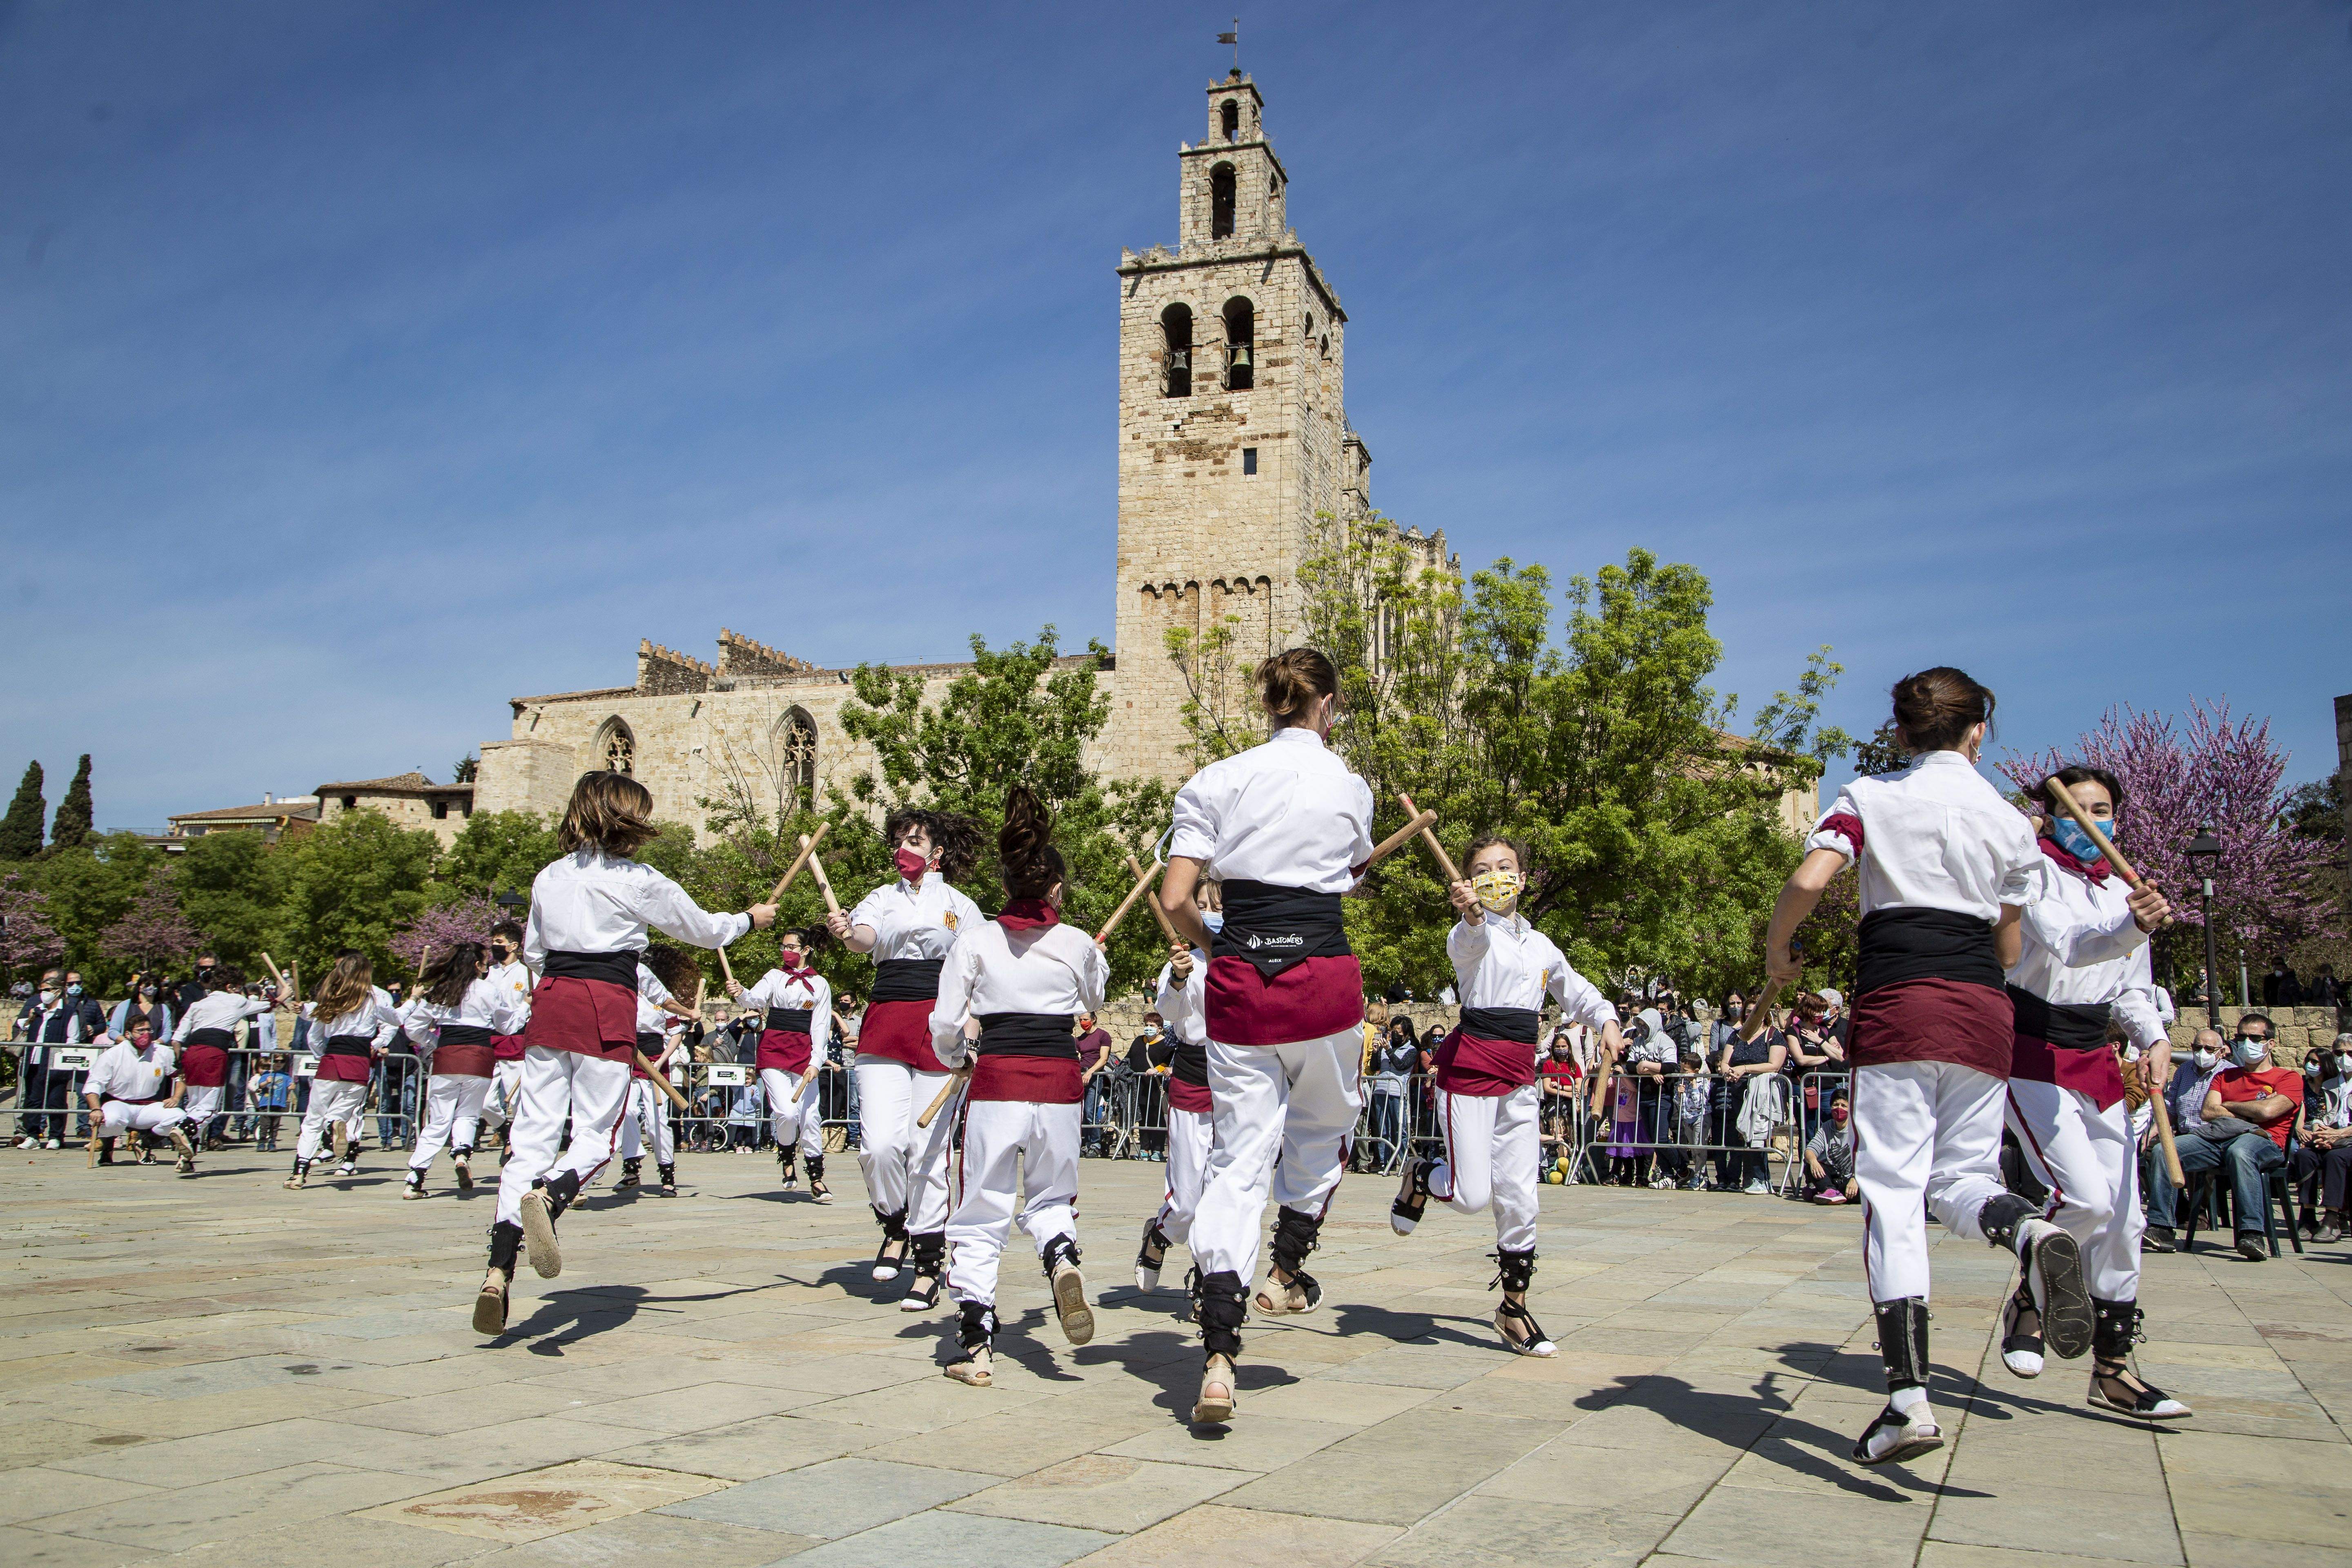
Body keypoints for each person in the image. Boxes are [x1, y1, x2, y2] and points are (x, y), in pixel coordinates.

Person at [1761, 666, 2080, 1467]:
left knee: (1897, 1194)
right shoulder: (2011, 823)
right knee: (1965, 1177)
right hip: (1982, 1010)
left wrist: (1778, 947)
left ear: (1900, 732)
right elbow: (2011, 944)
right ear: (1978, 733)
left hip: (1903, 1003)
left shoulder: (1867, 797)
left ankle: (1908, 1400)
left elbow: (1808, 879)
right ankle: (2031, 1232)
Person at [474, 770, 772, 1336]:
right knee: (596, 1136)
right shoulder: (637, 880)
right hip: (604, 998)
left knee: (531, 1137)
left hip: (553, 998)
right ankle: (554, 1194)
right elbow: (706, 931)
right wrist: (750, 920)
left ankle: (498, 1267)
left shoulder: (548, 878)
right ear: (627, 822)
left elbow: (535, 951)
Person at [1158, 648, 1372, 1426]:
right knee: (1325, 1129)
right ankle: (1287, 1267)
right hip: (1321, 980)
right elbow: (1348, 873)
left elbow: (1176, 895)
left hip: (1242, 986)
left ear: (1271, 706)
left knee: (1236, 1160)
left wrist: (1218, 946)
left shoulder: (1215, 780)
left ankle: (1218, 1354)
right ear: (1327, 707)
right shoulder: (1350, 786)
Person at [1998, 767, 2188, 1420]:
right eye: (2075, 811)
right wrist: (2135, 926)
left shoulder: (2125, 889)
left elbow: (2131, 985)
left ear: (2118, 819)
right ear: (2049, 819)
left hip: (2095, 1056)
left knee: (2126, 1217)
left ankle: (2112, 1369)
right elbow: (2073, 948)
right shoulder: (2033, 876)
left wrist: (2154, 1038)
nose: (2090, 822)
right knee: (2082, 1196)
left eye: (2101, 810)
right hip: (2031, 1050)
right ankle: (2030, 1297)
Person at [1390, 835, 1623, 1358]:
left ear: (1522, 879)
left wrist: (1606, 1019)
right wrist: (1472, 918)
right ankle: (1423, 1175)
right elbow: (1467, 947)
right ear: (1469, 884)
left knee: (1521, 1197)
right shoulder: (1469, 935)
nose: (1495, 876)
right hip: (1470, 1069)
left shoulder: (1541, 946)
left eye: (1505, 867)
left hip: (1519, 1078)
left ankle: (1513, 1310)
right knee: (1472, 1197)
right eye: (1482, 870)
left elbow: (1577, 990)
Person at [930, 786, 1107, 1386]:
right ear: (1055, 888)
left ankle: (976, 1343)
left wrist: (955, 1058)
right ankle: (1060, 1256)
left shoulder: (975, 941)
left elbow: (946, 1024)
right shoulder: (1077, 942)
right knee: (1052, 1198)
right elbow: (1095, 1003)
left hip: (999, 1077)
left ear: (1005, 886)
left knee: (981, 1210)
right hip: (1058, 1080)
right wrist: (1087, 957)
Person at [827, 807, 984, 1309]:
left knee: (927, 1149)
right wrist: (847, 932)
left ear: (936, 853)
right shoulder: (879, 898)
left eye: (914, 841)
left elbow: (981, 974)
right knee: (878, 1145)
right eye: (899, 840)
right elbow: (865, 940)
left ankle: (929, 1262)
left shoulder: (962, 906)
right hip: (887, 1022)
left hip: (940, 1025)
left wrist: (972, 1034)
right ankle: (893, 1222)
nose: (904, 849)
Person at [2147, 1014, 2300, 1263]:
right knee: (2166, 1150)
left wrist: (2230, 1106)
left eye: (2255, 1037)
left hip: (2265, 1140)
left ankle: (2252, 1233)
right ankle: (2161, 1226)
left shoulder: (2287, 1078)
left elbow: (2269, 1112)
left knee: (2240, 1152)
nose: (2247, 1042)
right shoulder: (2225, 1076)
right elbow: (2208, 1111)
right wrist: (2249, 1112)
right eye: (2242, 1037)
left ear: (2271, 1043)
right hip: (2218, 1137)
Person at [397, 940, 527, 1200]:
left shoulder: (440, 992)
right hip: (479, 1058)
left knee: (438, 1120)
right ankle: (461, 1154)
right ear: (479, 966)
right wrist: (526, 1005)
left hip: (447, 1058)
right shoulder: (489, 991)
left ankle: (415, 1178)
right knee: (468, 1115)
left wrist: (435, 1043)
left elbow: (412, 1028)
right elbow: (509, 1026)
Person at [1137, 882, 1218, 1293]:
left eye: (1217, 905)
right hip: (1193, 1073)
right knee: (1187, 1197)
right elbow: (1167, 1013)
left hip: (1239, 1081)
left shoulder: (1248, 959)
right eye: (1201, 905)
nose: (1209, 912)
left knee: (1224, 1195)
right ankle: (1160, 1234)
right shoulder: (1182, 963)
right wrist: (1179, 982)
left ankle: (1209, 1281)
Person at [729, 929, 835, 1205]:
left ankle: (816, 1178)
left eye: (792, 946)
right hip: (774, 1048)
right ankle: (787, 1154)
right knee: (787, 1113)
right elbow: (755, 1000)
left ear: (806, 950)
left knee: (810, 1115)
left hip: (804, 1052)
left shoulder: (821, 984)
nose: (786, 951)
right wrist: (740, 993)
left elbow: (821, 1026)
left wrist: (816, 1061)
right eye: (784, 946)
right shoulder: (774, 976)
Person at [286, 953, 400, 1188]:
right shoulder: (375, 1000)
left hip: (332, 1059)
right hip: (359, 1061)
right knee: (345, 1110)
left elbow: (314, 1033)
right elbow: (397, 1020)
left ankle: (299, 1172)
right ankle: (336, 1123)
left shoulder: (331, 999)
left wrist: (321, 1054)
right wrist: (414, 999)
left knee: (313, 1118)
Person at [616, 950, 696, 1197]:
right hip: (625, 1056)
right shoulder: (619, 990)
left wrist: (661, 1061)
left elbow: (676, 1033)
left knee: (656, 1120)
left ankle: (667, 1172)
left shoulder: (660, 999)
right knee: (626, 1112)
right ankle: (631, 1167)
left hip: (654, 1058)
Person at [170, 966, 271, 1160]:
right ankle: (184, 1127)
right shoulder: (236, 1000)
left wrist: (179, 1063)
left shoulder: (198, 1004)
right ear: (231, 987)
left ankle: (187, 1157)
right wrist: (284, 996)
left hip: (191, 1054)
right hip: (213, 1053)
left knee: (194, 1104)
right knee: (209, 1109)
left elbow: (176, 1040)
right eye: (239, 987)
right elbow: (267, 1006)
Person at [82, 1018, 196, 1172]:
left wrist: (176, 1098)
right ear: (128, 1034)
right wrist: (96, 1109)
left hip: (149, 1105)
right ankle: (108, 1149)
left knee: (180, 1118)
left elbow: (180, 1075)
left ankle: (145, 1144)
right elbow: (94, 1085)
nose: (146, 1034)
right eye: (140, 1031)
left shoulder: (162, 1052)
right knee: (112, 1120)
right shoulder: (113, 1055)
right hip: (119, 1102)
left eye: (149, 1030)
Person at [15, 970, 93, 1147]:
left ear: (58, 991)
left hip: (56, 1064)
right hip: (34, 1061)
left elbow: (73, 1039)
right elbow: (21, 1024)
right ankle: (33, 1135)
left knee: (56, 1100)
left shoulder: (69, 1012)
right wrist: (30, 1019)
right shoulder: (37, 1011)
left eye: (48, 990)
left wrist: (63, 1058)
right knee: (33, 1101)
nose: (44, 994)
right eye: (42, 990)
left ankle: (56, 1136)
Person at [1714, 1014, 1787, 1194]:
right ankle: (1744, 1179)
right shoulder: (1736, 1036)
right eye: (1747, 1013)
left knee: (1758, 1134)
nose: (1750, 1017)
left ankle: (1759, 1178)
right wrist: (1728, 1073)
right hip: (1738, 1091)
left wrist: (1745, 1069)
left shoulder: (1773, 1034)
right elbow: (1725, 1063)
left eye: (1755, 1012)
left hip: (1761, 1093)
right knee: (1741, 1134)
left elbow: (1774, 1065)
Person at [480, 920, 534, 1150]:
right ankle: (505, 1131)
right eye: (493, 941)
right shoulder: (486, 975)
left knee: (519, 1098)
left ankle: (521, 1147)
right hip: (488, 1039)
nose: (494, 946)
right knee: (484, 1102)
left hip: (515, 1040)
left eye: (499, 942)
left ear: (513, 946)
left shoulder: (527, 973)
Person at [2292, 1035, 2352, 1243]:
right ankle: (2308, 1217)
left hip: (2347, 1139)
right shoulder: (2332, 1084)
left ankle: (2332, 1219)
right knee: (2305, 1155)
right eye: (2339, 1053)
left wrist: (2337, 1135)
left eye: (2350, 1053)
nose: (2345, 1057)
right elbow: (2323, 1114)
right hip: (2333, 1136)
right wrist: (2319, 1130)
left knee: (2336, 1158)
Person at [1804, 1090, 1858, 1202]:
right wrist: (1813, 1161)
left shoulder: (1857, 1128)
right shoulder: (1827, 1126)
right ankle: (1830, 1191)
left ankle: (1824, 1192)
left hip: (1854, 1178)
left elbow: (1868, 1159)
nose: (1839, 1108)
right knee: (1810, 1165)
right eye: (1836, 1105)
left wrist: (1855, 1179)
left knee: (1862, 1193)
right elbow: (1810, 1150)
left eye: (1844, 1106)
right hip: (1835, 1176)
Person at [249, 1053, 292, 1152]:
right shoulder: (266, 1075)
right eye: (276, 1061)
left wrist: (291, 1087)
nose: (279, 1063)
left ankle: (272, 1142)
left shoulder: (286, 1076)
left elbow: (289, 1087)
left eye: (282, 1061)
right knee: (264, 1125)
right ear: (271, 1061)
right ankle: (262, 1142)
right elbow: (261, 1086)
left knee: (275, 1126)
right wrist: (266, 1082)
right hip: (266, 1103)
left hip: (279, 1103)